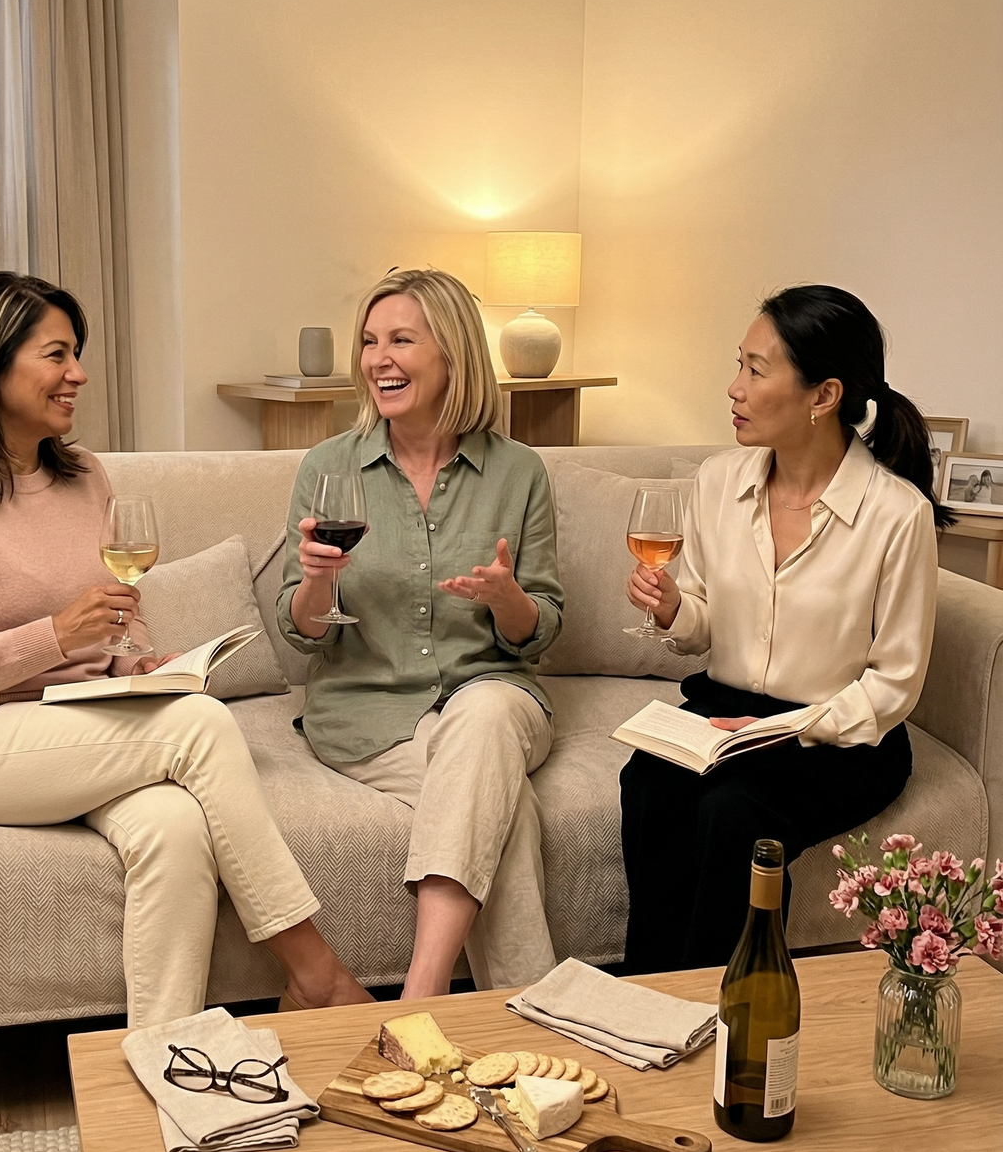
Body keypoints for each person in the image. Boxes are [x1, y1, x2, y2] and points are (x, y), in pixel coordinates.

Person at [0, 271, 371, 1026]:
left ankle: (165, 1055)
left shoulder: (83, 476)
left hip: (69, 724)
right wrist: (54, 637)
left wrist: (137, 664)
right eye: (56, 355)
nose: (78, 374)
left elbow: (112, 618)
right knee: (199, 724)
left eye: (77, 354)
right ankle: (315, 971)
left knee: (174, 826)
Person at [620, 284, 946, 974]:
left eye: (756, 369)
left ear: (823, 395)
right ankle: (650, 986)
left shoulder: (897, 515)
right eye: (738, 364)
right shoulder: (718, 481)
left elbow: (893, 684)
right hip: (727, 712)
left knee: (734, 811)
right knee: (649, 781)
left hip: (837, 737)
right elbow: (703, 621)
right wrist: (674, 607)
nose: (734, 387)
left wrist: (787, 729)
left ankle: (729, 998)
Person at [277, 268, 565, 998]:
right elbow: (302, 632)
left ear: (452, 354)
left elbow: (542, 629)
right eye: (370, 342)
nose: (379, 359)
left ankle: (418, 1000)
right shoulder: (329, 467)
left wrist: (506, 599)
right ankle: (522, 1015)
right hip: (367, 711)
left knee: (487, 715)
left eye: (401, 340)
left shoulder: (519, 472)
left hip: (494, 694)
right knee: (501, 806)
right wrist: (316, 579)